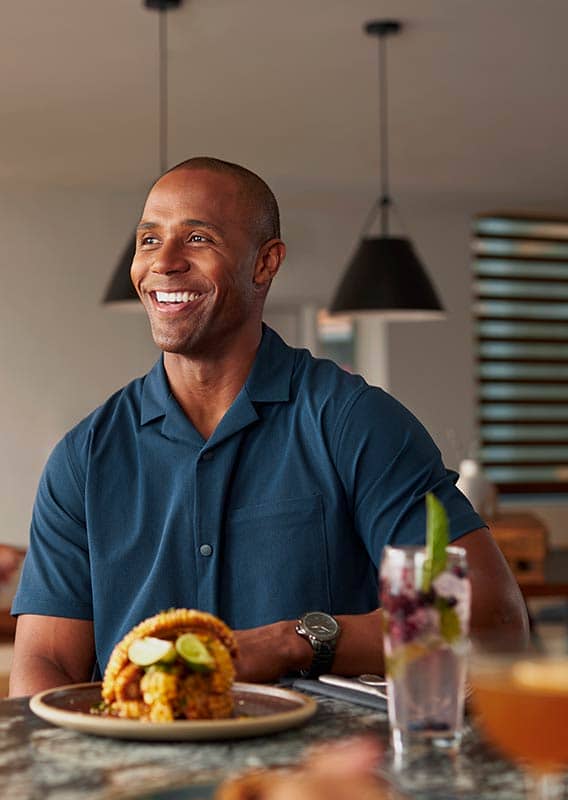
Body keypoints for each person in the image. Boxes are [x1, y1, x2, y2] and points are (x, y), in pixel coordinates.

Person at [9, 157, 529, 697]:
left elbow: (493, 620)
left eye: (198, 238)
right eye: (148, 240)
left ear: (265, 263)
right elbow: (45, 663)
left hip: (320, 776)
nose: (163, 262)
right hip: (135, 774)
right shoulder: (85, 456)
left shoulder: (355, 423)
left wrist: (293, 641)